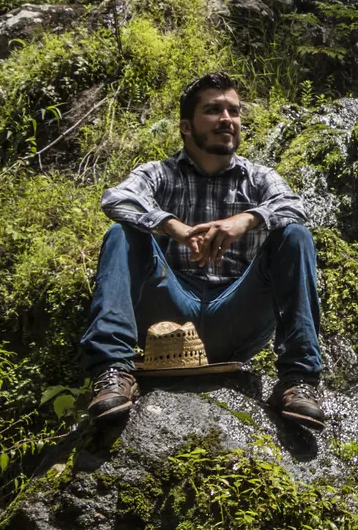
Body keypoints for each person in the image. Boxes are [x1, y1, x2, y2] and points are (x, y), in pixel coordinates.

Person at [79, 71, 326, 428]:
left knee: (295, 235)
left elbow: (294, 206)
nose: (227, 120)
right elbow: (117, 198)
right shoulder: (160, 174)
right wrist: (171, 226)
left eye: (234, 112)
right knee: (123, 234)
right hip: (170, 314)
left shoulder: (258, 179)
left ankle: (298, 382)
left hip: (236, 315)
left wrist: (246, 219)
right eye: (213, 110)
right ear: (185, 126)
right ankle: (113, 371)